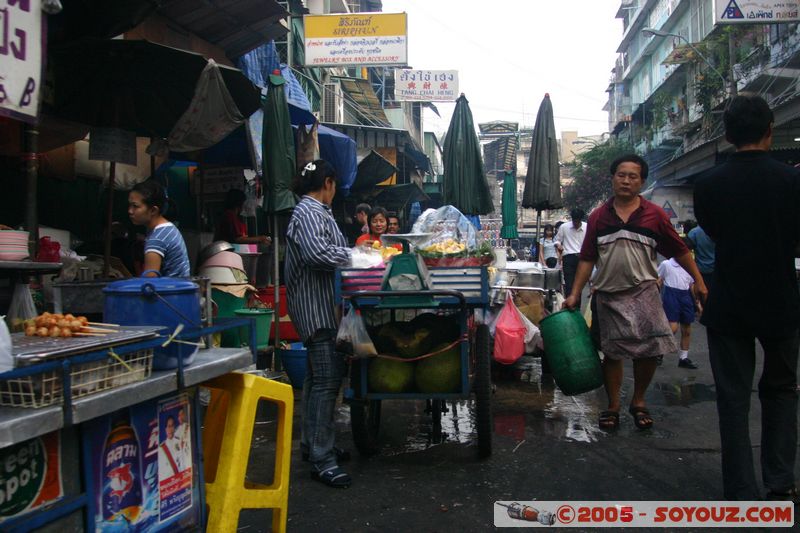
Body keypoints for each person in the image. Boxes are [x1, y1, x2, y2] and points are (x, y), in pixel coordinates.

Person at [694, 94, 800, 502]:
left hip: (730, 302)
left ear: (727, 134)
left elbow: (714, 232)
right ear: (770, 130)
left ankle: (739, 489)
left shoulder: (707, 185)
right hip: (780, 301)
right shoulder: (792, 182)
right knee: (782, 391)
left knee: (733, 398)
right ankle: (781, 481)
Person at [563, 154, 707, 431]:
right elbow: (587, 258)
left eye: (633, 176)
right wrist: (574, 293)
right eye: (621, 174)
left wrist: (699, 282)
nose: (626, 180)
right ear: (613, 178)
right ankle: (613, 404)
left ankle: (638, 401)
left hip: (645, 292)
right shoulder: (598, 217)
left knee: (649, 351)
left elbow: (679, 250)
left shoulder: (655, 215)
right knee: (612, 353)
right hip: (607, 294)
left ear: (641, 182)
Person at [285, 160, 353, 488]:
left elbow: (334, 247)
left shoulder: (318, 212)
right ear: (328, 182)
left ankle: (312, 444)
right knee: (328, 381)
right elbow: (317, 254)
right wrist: (356, 258)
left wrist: (355, 252)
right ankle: (322, 460)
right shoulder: (308, 212)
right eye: (335, 185)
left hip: (322, 305)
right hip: (316, 310)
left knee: (315, 379)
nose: (335, 191)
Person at [128, 180, 190, 278]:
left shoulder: (157, 239)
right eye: (130, 205)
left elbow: (149, 284)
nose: (130, 211)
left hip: (171, 291)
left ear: (153, 210)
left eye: (135, 206)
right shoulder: (168, 228)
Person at [657, 257, 699, 369]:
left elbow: (691, 284)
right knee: (672, 328)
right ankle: (659, 352)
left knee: (687, 329)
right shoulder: (666, 264)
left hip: (685, 296)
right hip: (671, 295)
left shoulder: (689, 265)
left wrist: (697, 302)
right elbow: (658, 280)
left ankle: (683, 358)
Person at [555, 209, 587, 305]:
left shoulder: (587, 227)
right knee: (569, 284)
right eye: (574, 220)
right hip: (568, 257)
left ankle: (577, 307)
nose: (576, 223)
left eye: (577, 221)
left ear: (581, 220)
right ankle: (569, 306)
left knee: (579, 283)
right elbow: (557, 240)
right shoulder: (564, 227)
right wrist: (558, 245)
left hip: (582, 257)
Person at [687, 224, 715, 295]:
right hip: (715, 271)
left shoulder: (694, 232)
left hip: (700, 272)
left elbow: (686, 249)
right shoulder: (717, 230)